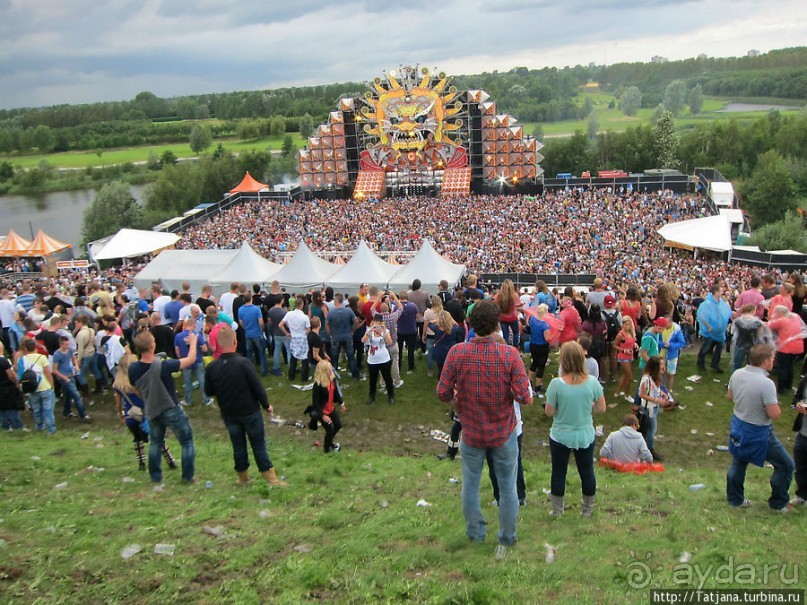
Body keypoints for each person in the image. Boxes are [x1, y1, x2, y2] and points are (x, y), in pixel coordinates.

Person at [436, 299, 532, 556]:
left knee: (471, 484)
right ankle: (507, 537)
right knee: (508, 487)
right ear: (497, 324)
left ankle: (476, 533)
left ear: (470, 323)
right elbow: (525, 397)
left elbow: (443, 392)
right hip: (503, 432)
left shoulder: (457, 352)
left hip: (472, 430)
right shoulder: (509, 355)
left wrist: (458, 405)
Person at [204, 325, 286, 486]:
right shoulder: (243, 363)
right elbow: (257, 387)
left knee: (238, 445)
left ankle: (242, 477)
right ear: (235, 342)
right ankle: (271, 478)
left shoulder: (212, 367)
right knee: (258, 444)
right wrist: (266, 405)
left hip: (228, 412)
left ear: (218, 344)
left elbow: (208, 391)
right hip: (249, 411)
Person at [726, 344, 794, 512]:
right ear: (765, 361)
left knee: (739, 462)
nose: (774, 361)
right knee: (786, 465)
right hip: (758, 431)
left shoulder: (737, 373)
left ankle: (735, 500)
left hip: (738, 425)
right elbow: (774, 414)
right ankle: (778, 503)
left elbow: (730, 396)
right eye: (772, 358)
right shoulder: (766, 383)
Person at [544, 341, 606, 518]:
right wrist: (588, 404)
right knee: (587, 471)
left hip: (560, 435)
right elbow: (602, 408)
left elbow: (549, 412)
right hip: (584, 434)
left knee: (558, 472)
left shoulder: (556, 384)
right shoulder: (592, 382)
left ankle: (557, 510)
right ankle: (587, 510)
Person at [129, 330, 198, 484]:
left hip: (152, 408)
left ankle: (155, 477)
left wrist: (146, 398)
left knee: (155, 442)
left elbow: (135, 388)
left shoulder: (133, 368)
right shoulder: (163, 365)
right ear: (152, 346)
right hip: (170, 407)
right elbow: (190, 359)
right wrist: (193, 342)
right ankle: (187, 477)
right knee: (186, 441)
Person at [113, 353, 176, 472]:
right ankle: (169, 460)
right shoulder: (138, 380)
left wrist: (120, 414)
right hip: (146, 413)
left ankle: (141, 463)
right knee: (158, 438)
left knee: (137, 438)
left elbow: (118, 404)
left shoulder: (118, 384)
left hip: (131, 416)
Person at [306, 360, 346, 454]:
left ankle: (329, 442)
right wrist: (323, 416)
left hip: (331, 408)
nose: (331, 372)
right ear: (323, 372)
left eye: (331, 369)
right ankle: (326, 449)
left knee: (338, 425)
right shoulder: (318, 385)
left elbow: (336, 392)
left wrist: (341, 403)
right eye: (329, 370)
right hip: (322, 410)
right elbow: (315, 402)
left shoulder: (332, 379)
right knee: (330, 429)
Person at [635, 356, 669, 461]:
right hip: (648, 408)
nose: (663, 367)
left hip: (654, 407)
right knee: (651, 430)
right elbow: (641, 394)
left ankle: (646, 447)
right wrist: (656, 400)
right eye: (661, 364)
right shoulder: (646, 379)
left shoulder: (655, 377)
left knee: (650, 429)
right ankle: (649, 450)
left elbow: (654, 389)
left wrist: (661, 393)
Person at [19, 338, 55, 434]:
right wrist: (52, 385)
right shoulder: (42, 357)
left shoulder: (22, 360)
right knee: (48, 410)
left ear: (25, 348)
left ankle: (39, 427)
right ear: (35, 347)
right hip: (45, 386)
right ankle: (50, 430)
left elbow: (21, 375)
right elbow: (47, 373)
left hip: (32, 388)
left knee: (37, 410)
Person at [51, 335, 91, 423]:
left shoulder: (69, 350)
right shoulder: (57, 355)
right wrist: (64, 378)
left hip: (71, 375)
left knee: (68, 395)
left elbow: (73, 358)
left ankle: (66, 412)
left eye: (68, 344)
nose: (67, 346)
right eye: (65, 344)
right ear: (61, 345)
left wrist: (76, 365)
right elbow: (54, 370)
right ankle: (83, 415)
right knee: (76, 395)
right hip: (64, 378)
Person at [767, 305, 806, 395]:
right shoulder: (795, 317)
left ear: (780, 313)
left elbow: (770, 325)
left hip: (786, 347)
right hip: (798, 346)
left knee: (783, 368)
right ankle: (788, 385)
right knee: (789, 365)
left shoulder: (782, 320)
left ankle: (781, 389)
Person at [174, 318, 212, 407]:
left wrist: (181, 358)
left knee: (187, 382)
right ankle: (206, 400)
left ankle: (188, 400)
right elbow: (205, 349)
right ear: (194, 325)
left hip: (186, 361)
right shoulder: (197, 335)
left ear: (185, 325)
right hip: (198, 360)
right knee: (202, 380)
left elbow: (177, 351)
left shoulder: (178, 336)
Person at [696, 283, 732, 373]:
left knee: (720, 346)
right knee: (706, 348)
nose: (723, 292)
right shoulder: (707, 303)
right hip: (710, 331)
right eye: (721, 290)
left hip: (719, 331)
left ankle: (715, 363)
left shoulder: (720, 302)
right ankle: (700, 363)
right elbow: (701, 316)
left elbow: (726, 312)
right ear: (716, 292)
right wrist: (708, 326)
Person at [362, 313, 394, 405]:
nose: (376, 323)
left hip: (384, 359)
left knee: (387, 378)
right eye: (375, 321)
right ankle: (371, 396)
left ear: (381, 323)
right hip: (372, 359)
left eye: (378, 322)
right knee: (372, 379)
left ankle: (391, 396)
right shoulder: (370, 331)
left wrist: (384, 332)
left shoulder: (385, 331)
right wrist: (369, 331)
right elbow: (363, 341)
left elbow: (389, 342)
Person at [327, 293, 359, 380]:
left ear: (336, 300)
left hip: (336, 336)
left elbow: (327, 324)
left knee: (334, 357)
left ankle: (333, 376)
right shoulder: (348, 311)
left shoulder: (331, 312)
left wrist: (330, 333)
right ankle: (355, 375)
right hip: (347, 335)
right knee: (351, 356)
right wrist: (352, 331)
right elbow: (356, 321)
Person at [279, 298, 310, 382]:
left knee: (293, 357)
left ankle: (291, 376)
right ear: (302, 305)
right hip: (303, 338)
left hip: (293, 337)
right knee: (305, 359)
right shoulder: (305, 317)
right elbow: (308, 330)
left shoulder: (289, 314)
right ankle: (304, 378)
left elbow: (280, 325)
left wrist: (287, 333)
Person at [0, 341, 25, 431]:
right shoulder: (3, 361)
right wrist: (17, 383)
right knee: (12, 407)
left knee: (1, 408)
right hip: (7, 387)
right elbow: (11, 375)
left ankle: (5, 426)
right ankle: (17, 426)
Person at [527, 304, 551, 393]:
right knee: (541, 366)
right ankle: (538, 386)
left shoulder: (533, 319)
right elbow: (547, 339)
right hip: (542, 347)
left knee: (534, 362)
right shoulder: (545, 325)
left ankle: (528, 381)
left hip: (533, 344)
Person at [494, 279, 522, 349]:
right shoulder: (514, 295)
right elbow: (519, 305)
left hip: (502, 318)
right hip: (513, 318)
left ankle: (506, 349)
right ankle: (515, 348)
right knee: (516, 333)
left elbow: (495, 305)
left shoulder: (498, 296)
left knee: (505, 335)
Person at [613, 317, 637, 398]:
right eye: (626, 324)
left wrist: (635, 345)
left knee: (625, 375)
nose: (628, 326)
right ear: (623, 325)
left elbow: (632, 341)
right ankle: (627, 395)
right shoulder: (621, 335)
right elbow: (615, 345)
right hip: (623, 357)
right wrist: (624, 350)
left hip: (630, 356)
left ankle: (617, 392)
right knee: (630, 377)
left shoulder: (631, 333)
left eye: (629, 324)